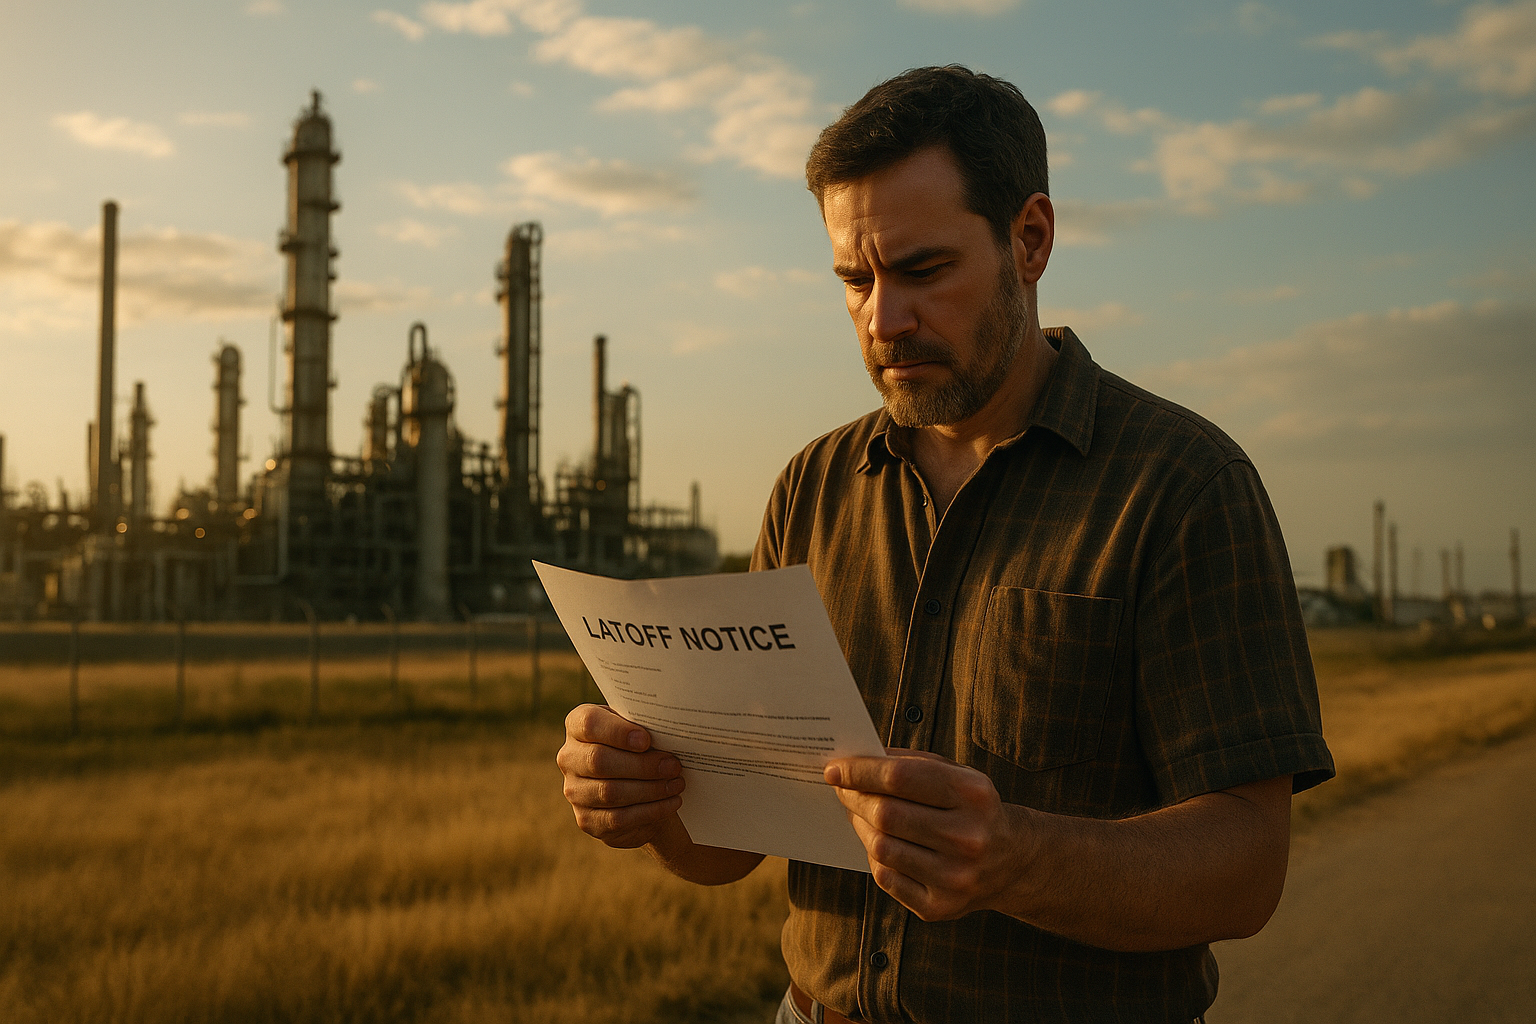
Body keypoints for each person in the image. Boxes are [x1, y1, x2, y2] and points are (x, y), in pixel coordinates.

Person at [557, 65, 1334, 1024]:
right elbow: (728, 849)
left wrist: (1015, 858)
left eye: (923, 271)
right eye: (855, 280)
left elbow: (1248, 868)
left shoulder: (1182, 486)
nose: (883, 320)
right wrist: (650, 803)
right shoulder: (811, 490)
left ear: (1030, 239)